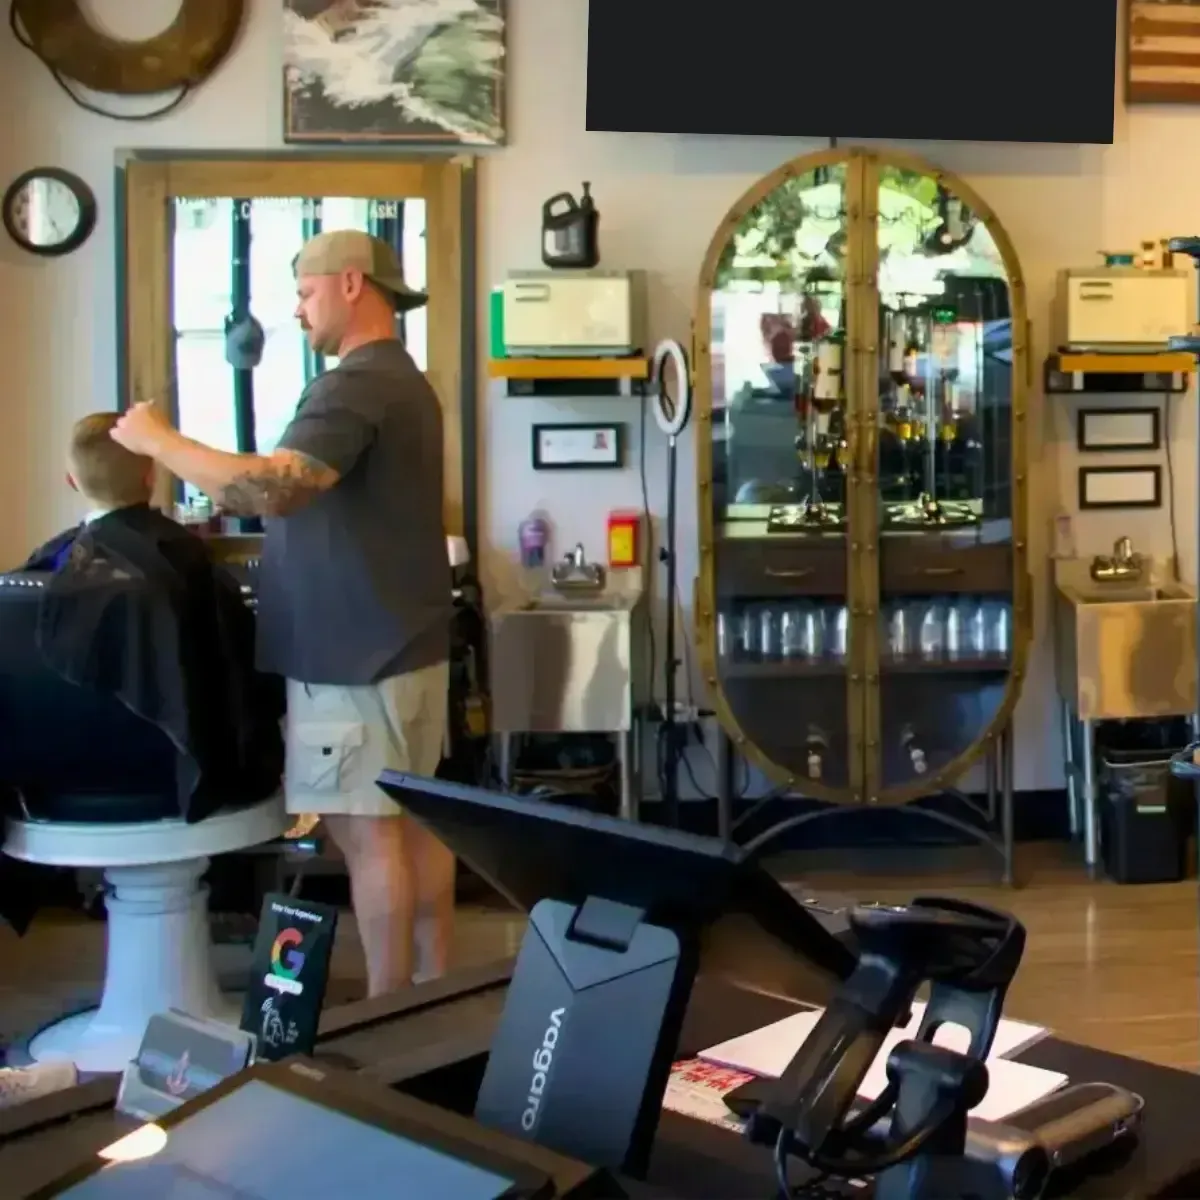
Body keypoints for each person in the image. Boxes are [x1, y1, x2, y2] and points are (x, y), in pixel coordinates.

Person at [110, 229, 455, 999]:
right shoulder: (402, 379)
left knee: (368, 837)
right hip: (402, 643)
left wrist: (160, 441)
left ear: (353, 283)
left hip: (354, 655)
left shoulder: (356, 383)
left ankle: (389, 1018)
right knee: (412, 825)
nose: (297, 311)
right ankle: (436, 997)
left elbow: (275, 488)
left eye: (305, 292)